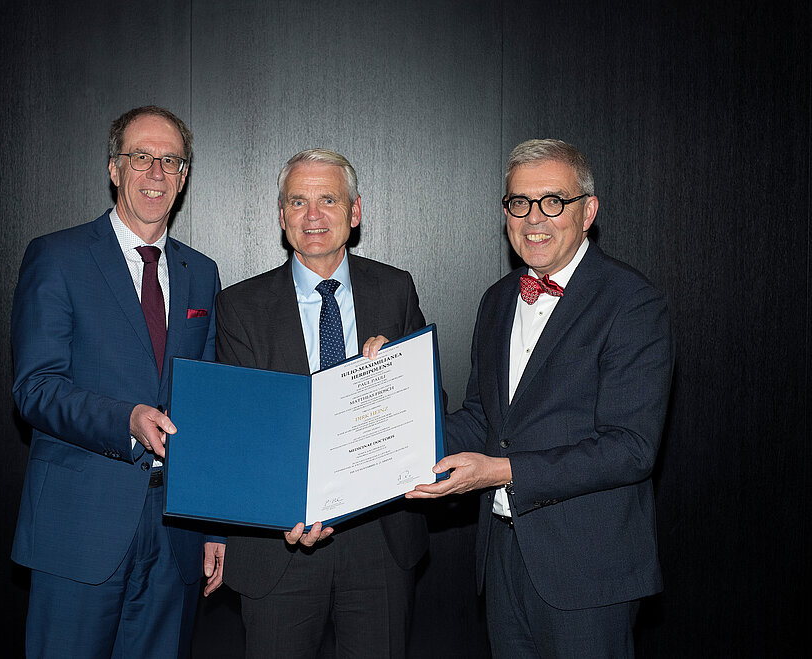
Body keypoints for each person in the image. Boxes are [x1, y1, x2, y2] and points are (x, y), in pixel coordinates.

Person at [407, 139, 674, 657]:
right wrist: (395, 429)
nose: (535, 218)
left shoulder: (632, 303)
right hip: (502, 556)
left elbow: (630, 448)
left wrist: (502, 471)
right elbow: (484, 420)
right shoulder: (498, 299)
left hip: (588, 568)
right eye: (519, 203)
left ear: (588, 211)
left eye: (553, 201)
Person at [10, 105, 224, 658]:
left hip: (175, 535)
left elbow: (207, 402)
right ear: (114, 168)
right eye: (141, 158)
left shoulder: (201, 273)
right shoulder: (56, 257)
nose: (156, 172)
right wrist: (124, 421)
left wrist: (213, 524)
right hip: (80, 529)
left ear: (183, 176)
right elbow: (34, 387)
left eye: (169, 160)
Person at [215, 149, 429, 658]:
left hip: (381, 537)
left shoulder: (395, 290)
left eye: (328, 200)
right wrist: (285, 505)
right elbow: (241, 433)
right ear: (281, 215)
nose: (313, 216)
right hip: (280, 543)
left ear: (355, 213)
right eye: (299, 202)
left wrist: (393, 378)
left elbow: (429, 405)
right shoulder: (239, 306)